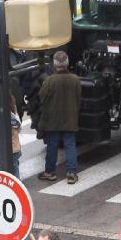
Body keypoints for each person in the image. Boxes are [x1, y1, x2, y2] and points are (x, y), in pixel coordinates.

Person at [37, 51, 81, 184]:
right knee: (70, 145)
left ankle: (50, 172)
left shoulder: (49, 81)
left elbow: (41, 98)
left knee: (52, 145)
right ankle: (72, 173)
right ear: (67, 63)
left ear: (55, 64)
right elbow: (78, 98)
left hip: (53, 120)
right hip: (70, 118)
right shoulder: (75, 79)